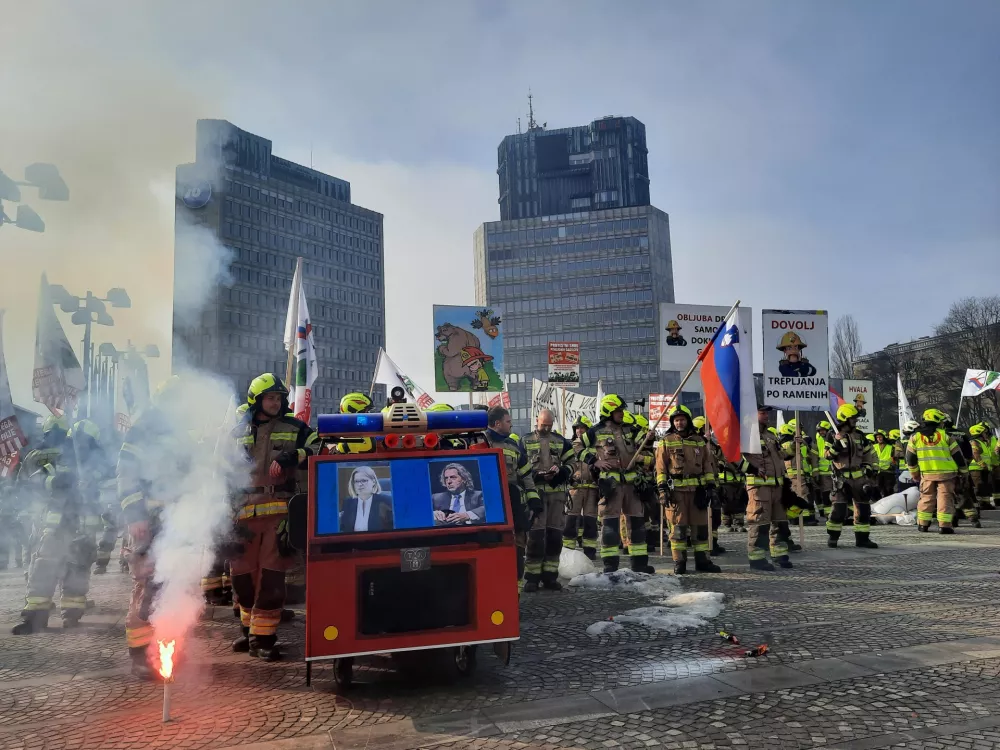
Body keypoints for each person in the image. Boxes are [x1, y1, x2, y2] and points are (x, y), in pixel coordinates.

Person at [230, 373, 317, 661]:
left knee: (271, 577)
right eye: (270, 398)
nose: (275, 402)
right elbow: (216, 468)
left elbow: (319, 447)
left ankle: (263, 638)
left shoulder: (296, 427)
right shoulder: (235, 430)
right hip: (241, 512)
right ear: (256, 400)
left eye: (279, 398)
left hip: (278, 511)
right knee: (242, 578)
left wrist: (295, 456)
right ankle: (247, 630)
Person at [583, 395, 654, 574]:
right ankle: (610, 566)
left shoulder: (630, 428)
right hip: (611, 485)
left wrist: (649, 436)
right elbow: (576, 447)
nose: (622, 413)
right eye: (618, 411)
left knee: (637, 525)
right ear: (608, 412)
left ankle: (639, 564)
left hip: (632, 484)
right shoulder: (594, 431)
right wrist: (594, 461)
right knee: (610, 527)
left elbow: (644, 440)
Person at [477, 406, 539, 594]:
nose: (511, 425)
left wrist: (534, 499)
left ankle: (514, 595)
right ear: (497, 423)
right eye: (508, 422)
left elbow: (527, 475)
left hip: (513, 505)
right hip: (485, 507)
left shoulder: (513, 446)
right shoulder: (478, 442)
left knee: (518, 549)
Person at [656, 405, 719, 574]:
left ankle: (703, 562)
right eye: (676, 420)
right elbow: (661, 468)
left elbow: (707, 466)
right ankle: (679, 562)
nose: (679, 423)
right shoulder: (666, 441)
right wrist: (662, 490)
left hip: (697, 491)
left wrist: (712, 488)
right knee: (678, 529)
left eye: (682, 419)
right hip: (676, 493)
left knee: (701, 529)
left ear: (688, 420)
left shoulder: (699, 441)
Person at [519, 409, 575, 591]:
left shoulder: (561, 441)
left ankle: (550, 576)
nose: (547, 428)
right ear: (537, 421)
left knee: (555, 537)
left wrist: (563, 473)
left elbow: (572, 463)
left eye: (550, 425)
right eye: (544, 425)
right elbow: (520, 467)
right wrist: (535, 475)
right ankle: (532, 577)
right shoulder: (525, 441)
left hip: (557, 495)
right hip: (536, 495)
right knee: (535, 537)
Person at [740, 406, 792, 571]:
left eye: (766, 413)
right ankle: (757, 558)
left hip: (777, 486)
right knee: (760, 523)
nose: (766, 416)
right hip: (759, 487)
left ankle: (779, 554)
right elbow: (733, 457)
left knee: (780, 522)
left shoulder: (770, 435)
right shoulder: (747, 434)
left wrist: (793, 446)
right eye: (762, 413)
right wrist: (751, 468)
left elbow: (781, 455)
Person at [824, 403, 879, 549]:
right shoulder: (832, 434)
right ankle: (833, 538)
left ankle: (862, 539)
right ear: (845, 419)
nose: (856, 421)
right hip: (841, 478)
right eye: (853, 418)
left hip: (859, 478)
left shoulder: (860, 435)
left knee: (863, 509)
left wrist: (870, 468)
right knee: (839, 510)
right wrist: (836, 444)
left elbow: (869, 454)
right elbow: (828, 456)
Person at [906, 408, 966, 534]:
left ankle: (923, 525)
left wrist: (914, 473)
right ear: (939, 421)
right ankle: (944, 526)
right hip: (947, 475)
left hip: (926, 474)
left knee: (926, 498)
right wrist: (964, 472)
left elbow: (910, 458)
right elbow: (958, 457)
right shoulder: (946, 436)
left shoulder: (915, 437)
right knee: (944, 498)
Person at [563, 416, 598, 559]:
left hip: (593, 488)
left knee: (590, 521)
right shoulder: (571, 446)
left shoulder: (596, 447)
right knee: (571, 520)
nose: (579, 430)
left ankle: (590, 551)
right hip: (575, 487)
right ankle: (568, 549)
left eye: (582, 428)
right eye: (577, 428)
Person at [340, 465, 394, 531]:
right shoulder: (348, 502)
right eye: (356, 481)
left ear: (373, 482)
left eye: (364, 480)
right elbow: (344, 529)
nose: (360, 484)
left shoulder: (386, 501)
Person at [969, 424, 994, 515]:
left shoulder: (982, 442)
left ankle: (985, 503)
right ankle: (978, 505)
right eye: (984, 433)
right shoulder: (975, 442)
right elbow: (976, 455)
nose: (985, 434)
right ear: (979, 433)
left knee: (984, 486)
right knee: (978, 486)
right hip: (976, 469)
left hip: (983, 469)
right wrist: (983, 465)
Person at [872, 431, 896, 498]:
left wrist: (892, 465)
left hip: (888, 471)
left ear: (884, 437)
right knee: (879, 488)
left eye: (880, 437)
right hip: (877, 471)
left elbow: (894, 459)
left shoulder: (891, 447)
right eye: (877, 437)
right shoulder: (873, 447)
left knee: (889, 490)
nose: (879, 438)